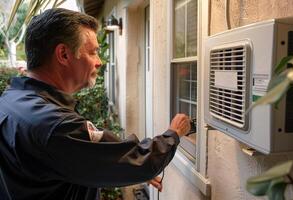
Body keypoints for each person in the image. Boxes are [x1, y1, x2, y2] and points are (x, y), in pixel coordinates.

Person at [0, 8, 191, 200]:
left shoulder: (10, 100)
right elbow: (140, 161)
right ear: (64, 54)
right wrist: (173, 134)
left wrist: (116, 166)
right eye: (92, 52)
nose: (99, 62)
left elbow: (79, 154)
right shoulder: (54, 124)